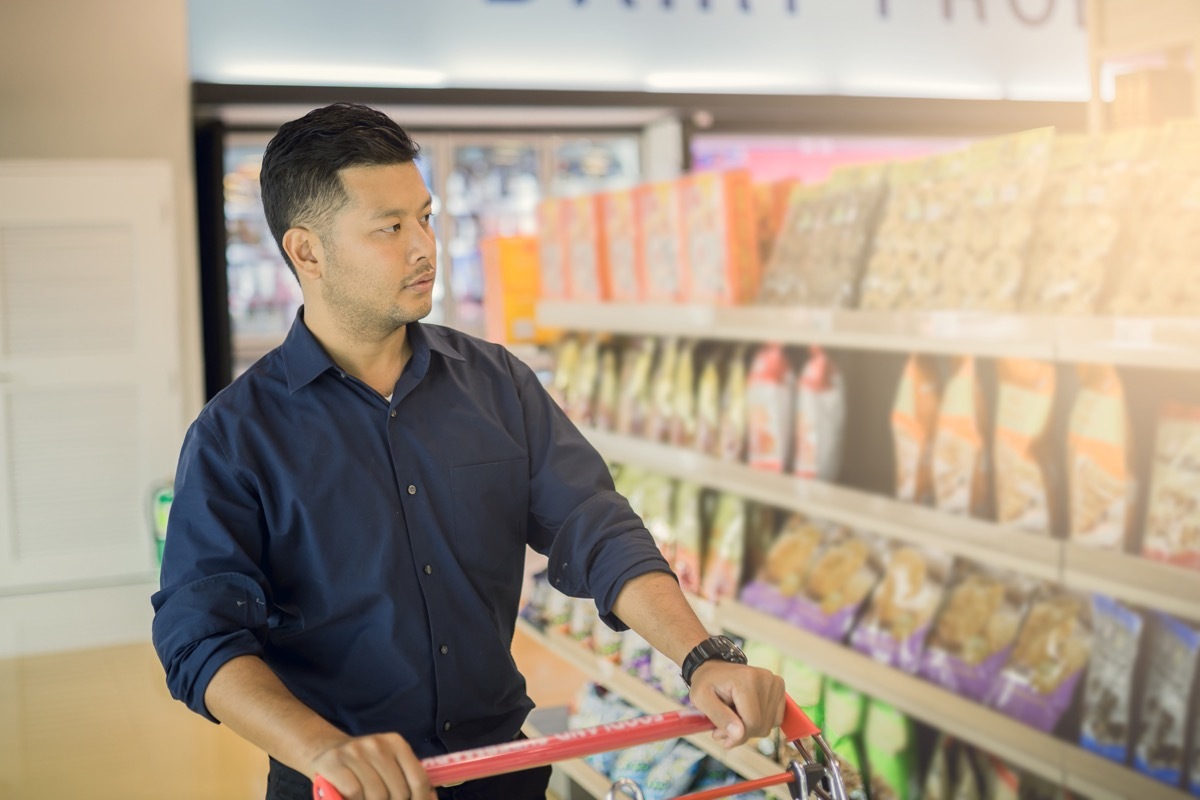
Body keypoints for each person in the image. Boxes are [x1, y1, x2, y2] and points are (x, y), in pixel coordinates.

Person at [151, 102, 785, 800]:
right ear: (307, 251)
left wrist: (701, 657)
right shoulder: (237, 436)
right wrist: (323, 748)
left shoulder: (497, 384)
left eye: (425, 216)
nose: (425, 246)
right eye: (390, 228)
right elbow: (200, 636)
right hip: (340, 788)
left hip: (501, 776)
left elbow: (594, 527)